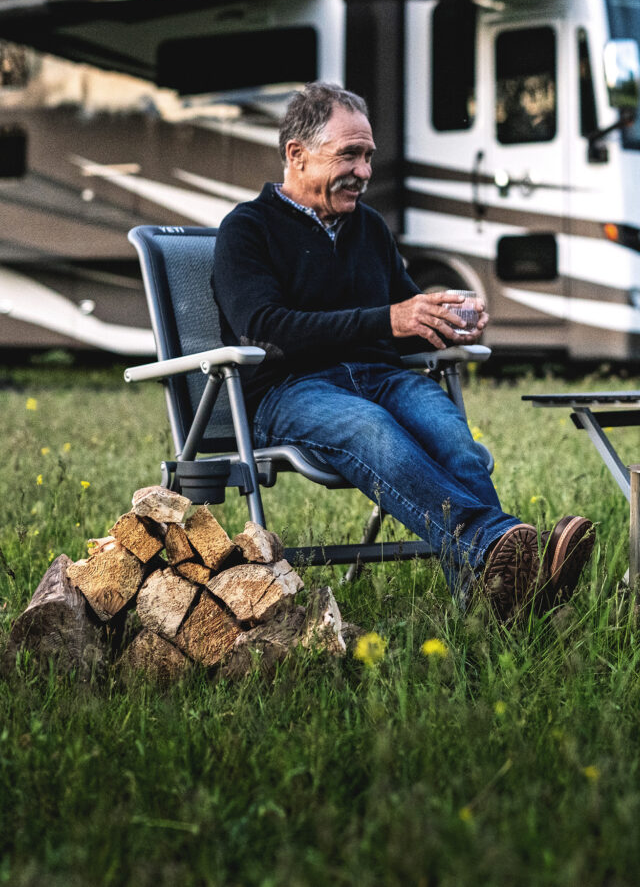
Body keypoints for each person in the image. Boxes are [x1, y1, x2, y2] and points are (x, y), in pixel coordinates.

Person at [212, 81, 594, 621]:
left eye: (368, 156)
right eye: (350, 154)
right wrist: (390, 317)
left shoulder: (367, 227)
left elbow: (401, 316)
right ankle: (498, 550)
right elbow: (265, 326)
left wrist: (443, 321)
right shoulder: (246, 230)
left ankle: (497, 599)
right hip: (288, 391)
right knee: (372, 429)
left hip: (381, 377)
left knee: (459, 450)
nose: (365, 171)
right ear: (296, 155)